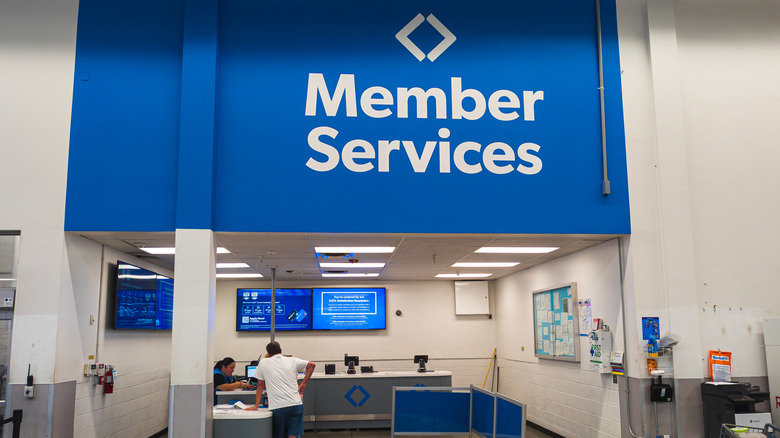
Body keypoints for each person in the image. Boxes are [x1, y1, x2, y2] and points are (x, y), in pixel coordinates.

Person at [248, 341, 315, 438]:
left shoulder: (263, 362)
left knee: (279, 435)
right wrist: (303, 384)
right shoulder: (292, 360)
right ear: (281, 350)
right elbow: (312, 365)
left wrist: (256, 407)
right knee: (293, 435)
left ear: (268, 353)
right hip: (296, 404)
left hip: (278, 406)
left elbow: (260, 386)